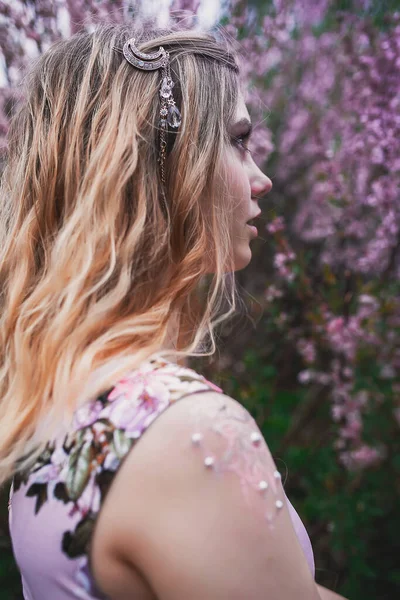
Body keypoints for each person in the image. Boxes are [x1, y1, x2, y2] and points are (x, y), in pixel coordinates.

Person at [0, 22, 347, 600]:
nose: (261, 180)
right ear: (160, 171)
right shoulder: (189, 433)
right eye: (238, 141)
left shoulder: (52, 404)